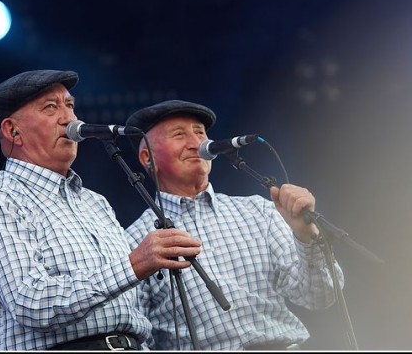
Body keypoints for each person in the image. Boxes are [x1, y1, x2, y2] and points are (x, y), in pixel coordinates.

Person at [0, 71, 202, 351]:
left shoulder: (94, 202)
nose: (69, 118)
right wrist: (133, 265)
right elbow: (31, 302)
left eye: (69, 105)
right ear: (13, 131)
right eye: (51, 107)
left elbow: (132, 305)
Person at [124, 99, 345, 351]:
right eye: (179, 135)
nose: (195, 142)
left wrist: (305, 235)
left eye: (200, 133)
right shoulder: (135, 242)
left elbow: (320, 296)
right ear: (146, 157)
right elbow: (138, 337)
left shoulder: (258, 211)